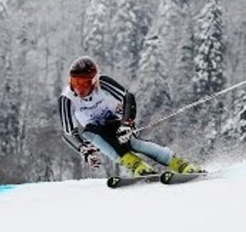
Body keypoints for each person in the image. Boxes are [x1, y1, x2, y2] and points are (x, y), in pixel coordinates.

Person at [58, 55, 203, 177]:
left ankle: (179, 163)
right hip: (96, 130)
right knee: (89, 132)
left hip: (117, 121)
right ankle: (136, 165)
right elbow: (69, 133)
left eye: (84, 83)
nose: (79, 88)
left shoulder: (103, 83)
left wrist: (127, 123)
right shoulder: (67, 98)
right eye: (75, 81)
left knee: (134, 144)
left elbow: (128, 97)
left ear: (94, 80)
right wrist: (83, 149)